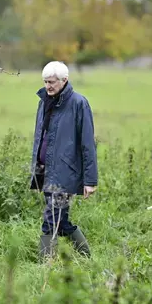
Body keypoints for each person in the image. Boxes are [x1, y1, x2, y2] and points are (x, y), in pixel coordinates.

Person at [29, 61, 98, 259]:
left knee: (50, 220)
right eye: (45, 82)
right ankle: (86, 257)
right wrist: (36, 169)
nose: (48, 86)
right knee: (61, 220)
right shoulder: (43, 101)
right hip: (45, 170)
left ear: (64, 80)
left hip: (65, 173)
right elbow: (40, 137)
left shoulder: (78, 103)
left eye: (51, 82)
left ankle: (45, 266)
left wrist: (90, 181)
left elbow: (87, 144)